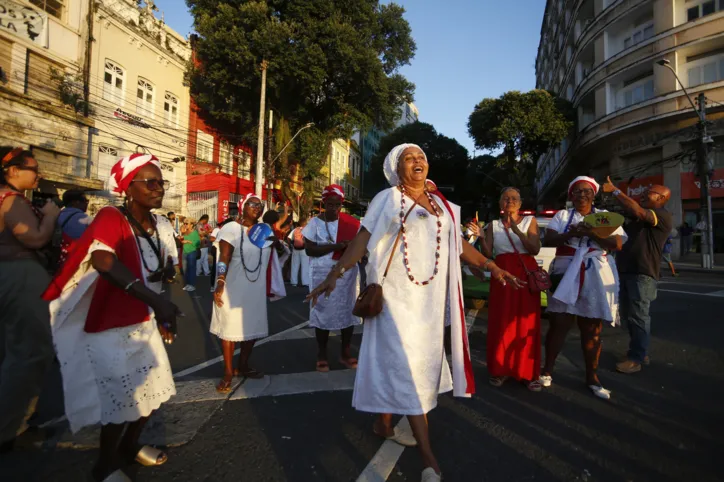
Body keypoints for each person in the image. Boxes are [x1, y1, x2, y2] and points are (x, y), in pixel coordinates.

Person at [308, 144, 522, 482]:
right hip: (394, 300)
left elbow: (459, 245)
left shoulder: (442, 206)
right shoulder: (387, 200)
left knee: (414, 365)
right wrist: (336, 274)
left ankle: (383, 420)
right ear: (397, 169)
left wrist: (490, 265)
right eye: (409, 158)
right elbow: (362, 241)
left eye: (421, 156)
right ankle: (427, 457)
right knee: (408, 370)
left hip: (429, 303)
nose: (417, 160)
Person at [42, 153, 181, 481]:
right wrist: (155, 302)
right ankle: (104, 465)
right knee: (121, 402)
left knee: (154, 393)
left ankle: (130, 447)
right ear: (128, 188)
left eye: (161, 182)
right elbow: (104, 261)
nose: (158, 188)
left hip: (145, 320)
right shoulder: (109, 216)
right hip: (110, 325)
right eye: (150, 182)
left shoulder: (159, 224)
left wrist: (163, 304)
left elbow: (158, 272)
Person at [541, 176, 626, 400]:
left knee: (591, 327)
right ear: (571, 195)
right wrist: (573, 233)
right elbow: (549, 240)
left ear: (593, 194)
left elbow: (617, 244)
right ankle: (547, 370)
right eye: (577, 191)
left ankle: (592, 377)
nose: (582, 195)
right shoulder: (562, 216)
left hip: (594, 273)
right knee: (559, 323)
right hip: (565, 271)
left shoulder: (604, 217)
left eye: (587, 191)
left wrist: (592, 233)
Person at [0, 146, 60, 452]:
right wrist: (49, 216)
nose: (39, 174)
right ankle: (10, 428)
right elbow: (35, 238)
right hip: (20, 273)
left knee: (10, 351)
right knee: (30, 352)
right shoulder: (11, 200)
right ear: (12, 171)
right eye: (33, 168)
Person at [466, 187, 542, 391]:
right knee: (502, 321)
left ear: (520, 203)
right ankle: (500, 370)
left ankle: (528, 373)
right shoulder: (494, 225)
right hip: (502, 275)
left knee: (526, 322)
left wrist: (517, 231)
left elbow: (534, 249)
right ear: (500, 203)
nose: (510, 201)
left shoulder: (530, 222)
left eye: (514, 198)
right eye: (506, 198)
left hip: (525, 275)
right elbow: (489, 253)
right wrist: (482, 236)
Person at [211, 194, 287, 393]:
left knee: (250, 329)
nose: (257, 208)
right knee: (228, 328)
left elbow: (278, 254)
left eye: (260, 206)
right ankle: (228, 371)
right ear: (243, 206)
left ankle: (243, 365)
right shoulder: (231, 229)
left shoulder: (265, 230)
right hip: (232, 287)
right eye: (253, 204)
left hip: (255, 288)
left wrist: (277, 243)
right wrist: (220, 282)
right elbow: (224, 258)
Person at [601, 177, 672, 374]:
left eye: (649, 192)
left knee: (639, 316)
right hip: (626, 271)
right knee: (628, 315)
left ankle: (637, 358)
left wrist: (615, 190)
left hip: (643, 273)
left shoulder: (662, 215)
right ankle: (639, 351)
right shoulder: (639, 219)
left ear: (661, 198)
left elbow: (637, 210)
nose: (643, 194)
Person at [303, 184, 361, 372]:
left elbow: (359, 246)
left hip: (347, 273)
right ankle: (322, 353)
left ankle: (345, 352)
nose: (334, 208)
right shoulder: (314, 223)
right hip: (322, 273)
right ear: (324, 203)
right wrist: (336, 247)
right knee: (323, 312)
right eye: (330, 204)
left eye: (338, 205)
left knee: (348, 310)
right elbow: (310, 249)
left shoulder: (350, 223)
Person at [57, 189, 92, 268]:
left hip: (58, 260)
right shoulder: (86, 219)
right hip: (76, 263)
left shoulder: (55, 215)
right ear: (74, 202)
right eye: (84, 201)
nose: (87, 203)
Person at [289, 218, 310, 287]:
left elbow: (289, 238)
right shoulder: (307, 230)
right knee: (305, 266)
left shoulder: (295, 230)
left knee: (294, 265)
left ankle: (293, 282)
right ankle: (305, 282)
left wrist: (292, 245)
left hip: (295, 249)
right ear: (305, 223)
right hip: (304, 250)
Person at [181, 217, 200, 291]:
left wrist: (188, 241)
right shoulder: (185, 232)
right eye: (184, 223)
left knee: (191, 269)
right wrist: (181, 238)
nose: (185, 225)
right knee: (185, 269)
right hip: (185, 252)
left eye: (186, 223)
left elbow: (198, 243)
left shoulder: (194, 232)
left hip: (192, 252)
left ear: (192, 225)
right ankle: (187, 284)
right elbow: (183, 240)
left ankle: (192, 285)